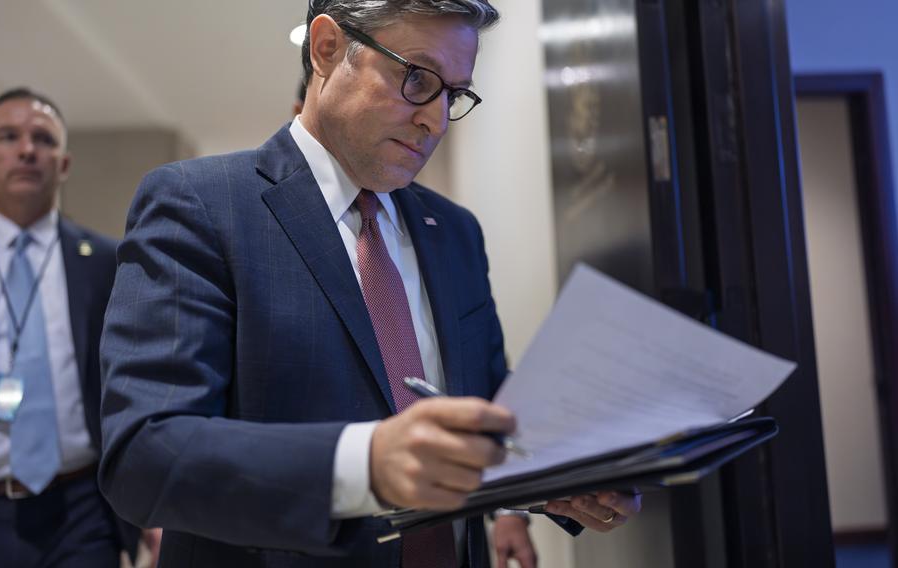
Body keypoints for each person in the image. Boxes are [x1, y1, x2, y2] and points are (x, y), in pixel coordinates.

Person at [98, 1, 641, 567]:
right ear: (328, 48)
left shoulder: (454, 233)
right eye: (417, 79)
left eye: (453, 94)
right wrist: (366, 464)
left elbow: (487, 408)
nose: (434, 119)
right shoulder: (201, 203)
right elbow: (144, 454)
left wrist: (560, 473)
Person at [0, 88, 153, 566]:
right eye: (8, 136)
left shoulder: (105, 260)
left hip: (80, 507)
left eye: (42, 139)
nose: (26, 149)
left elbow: (131, 384)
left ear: (62, 164)